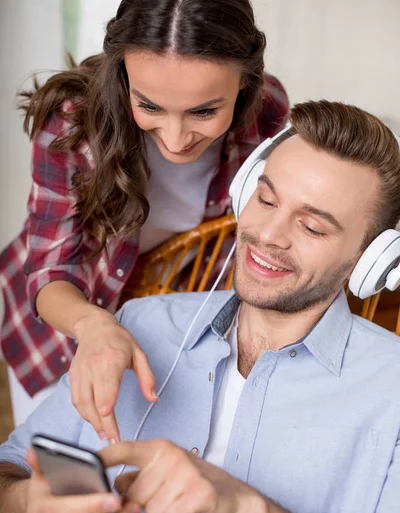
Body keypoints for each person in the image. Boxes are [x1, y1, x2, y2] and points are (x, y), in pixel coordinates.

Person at [1, 99, 400, 513]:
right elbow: (11, 472)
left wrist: (244, 510)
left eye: (312, 226)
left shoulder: (392, 391)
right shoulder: (138, 324)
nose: (267, 235)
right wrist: (31, 509)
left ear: (372, 260)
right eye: (267, 199)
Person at [0, 0, 288, 439]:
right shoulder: (72, 122)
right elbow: (51, 269)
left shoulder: (267, 111)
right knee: (60, 475)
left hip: (167, 321)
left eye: (204, 112)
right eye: (149, 105)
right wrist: (92, 325)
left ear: (245, 85)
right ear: (123, 77)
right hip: (61, 323)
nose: (175, 139)